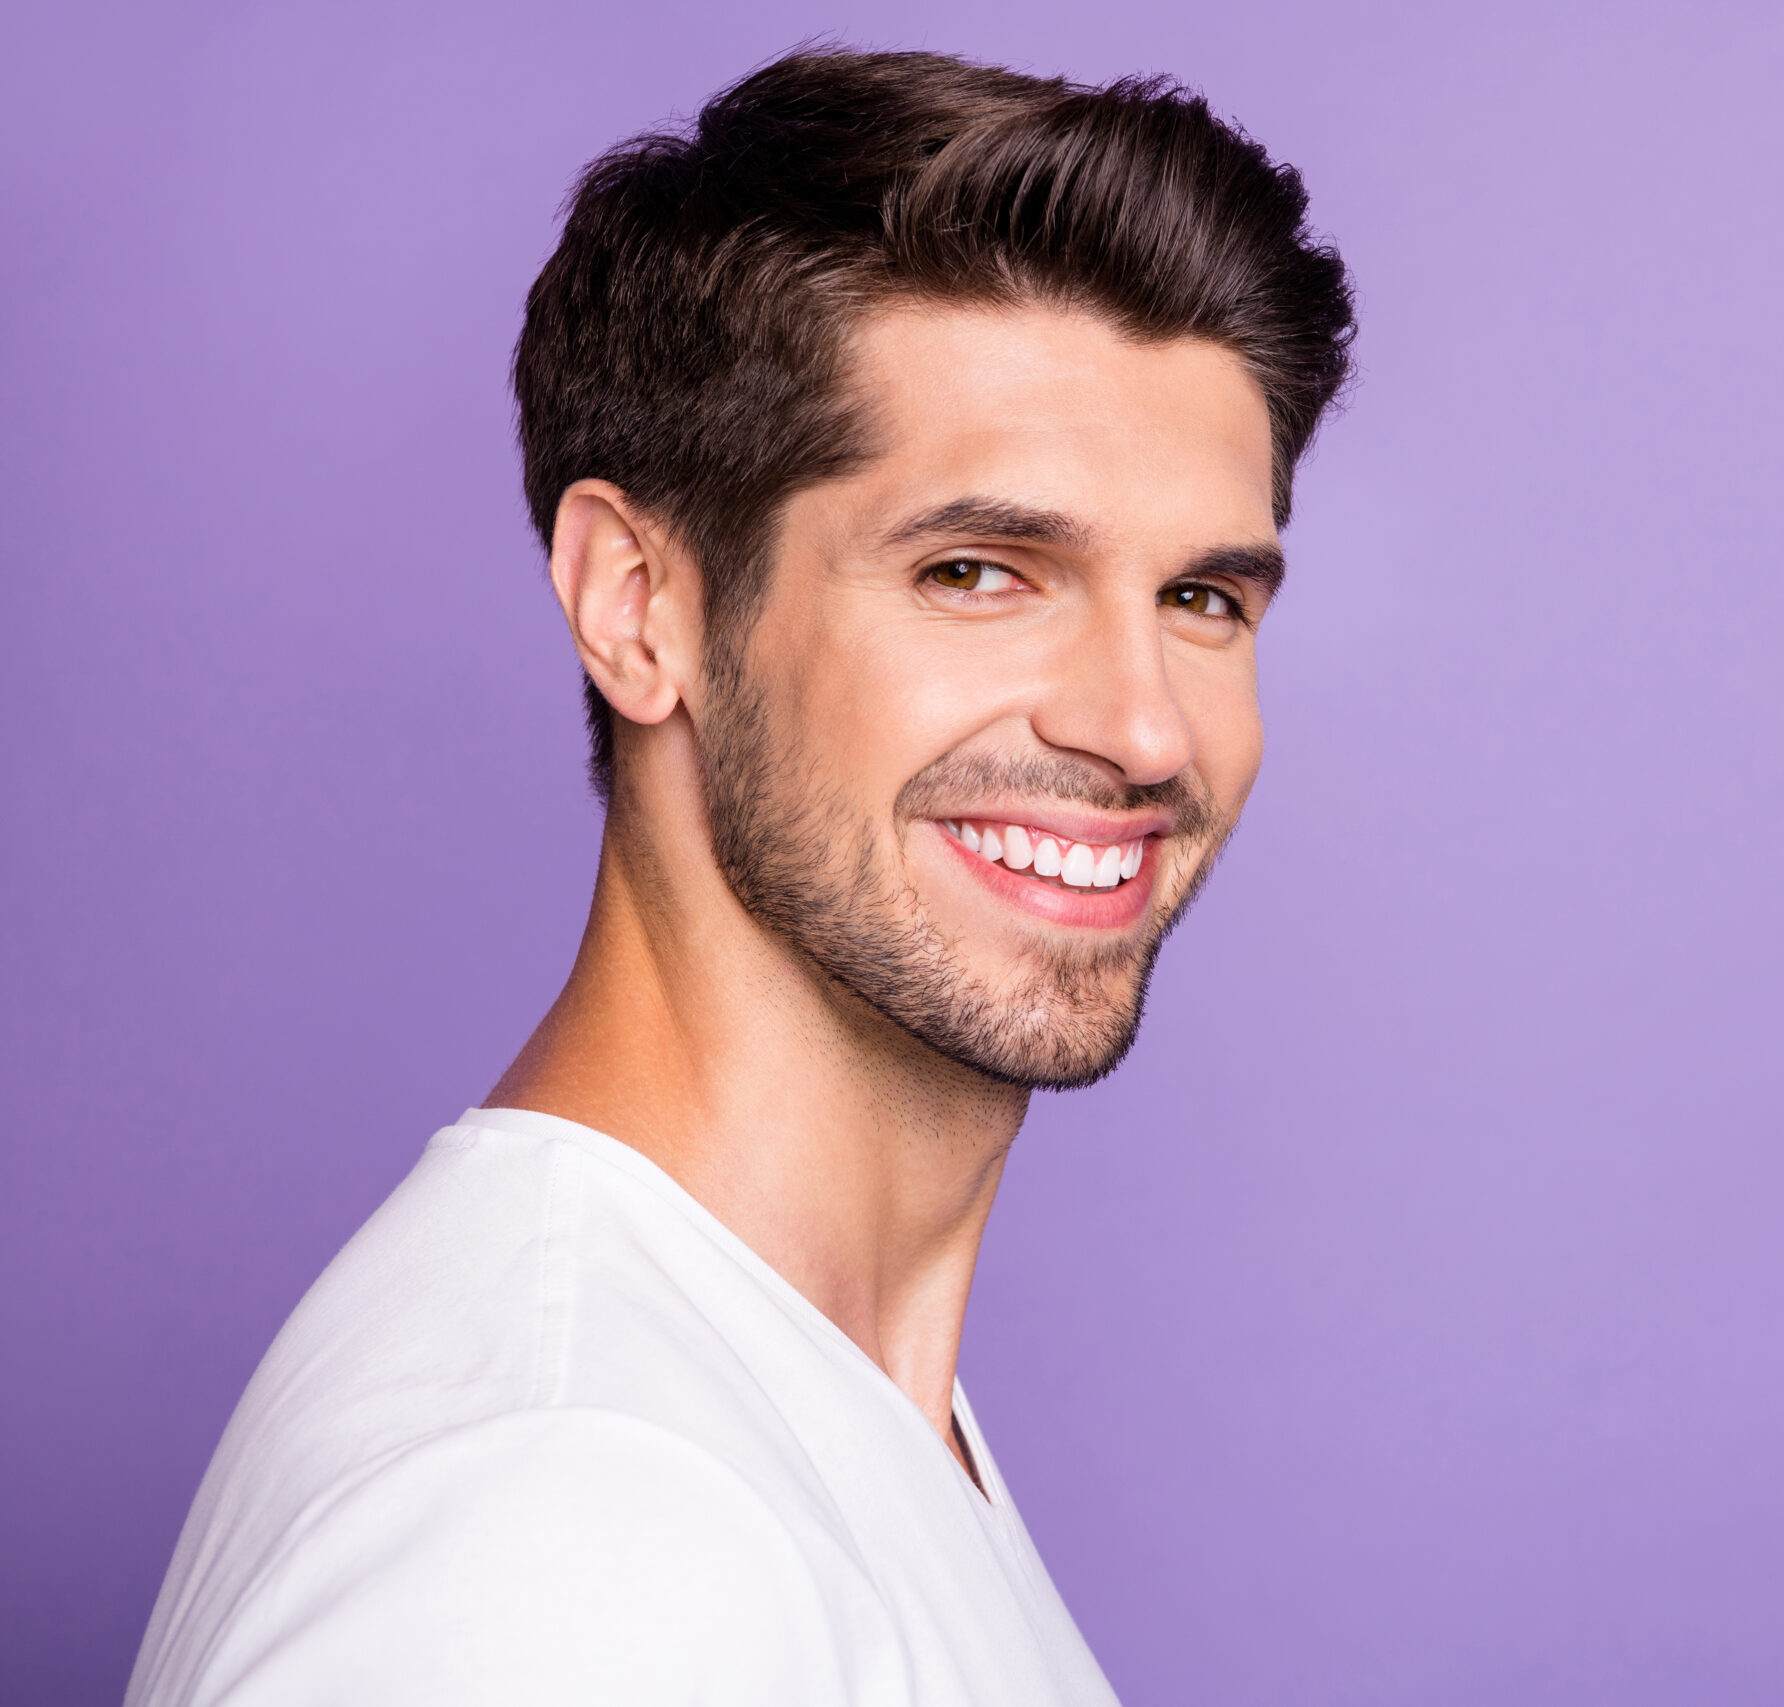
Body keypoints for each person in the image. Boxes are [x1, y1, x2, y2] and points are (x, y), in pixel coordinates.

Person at [125, 49, 1355, 1707]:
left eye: (1203, 599)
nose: (1142, 730)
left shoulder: (780, 1405)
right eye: (977, 572)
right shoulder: (566, 1519)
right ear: (640, 605)